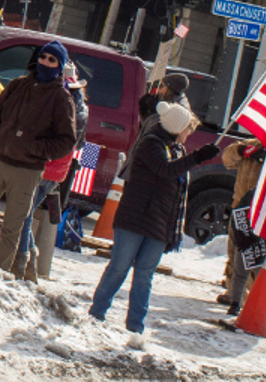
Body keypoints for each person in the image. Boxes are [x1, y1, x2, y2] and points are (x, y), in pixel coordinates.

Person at [89, 101, 219, 339]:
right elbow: (165, 170)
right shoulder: (151, 144)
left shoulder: (176, 149)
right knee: (119, 268)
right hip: (134, 219)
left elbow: (176, 190)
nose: (190, 134)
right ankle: (96, 314)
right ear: (177, 127)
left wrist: (171, 232)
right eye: (188, 128)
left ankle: (136, 327)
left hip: (158, 224)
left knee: (145, 276)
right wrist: (199, 157)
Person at [0, 39, 78, 272]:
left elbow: (66, 141)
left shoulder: (62, 99)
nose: (45, 62)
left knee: (12, 226)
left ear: (59, 65)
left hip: (28, 170)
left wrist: (35, 149)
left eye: (51, 59)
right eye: (43, 57)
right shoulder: (18, 84)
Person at [14, 60, 90, 280]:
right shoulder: (82, 107)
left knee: (23, 214)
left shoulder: (60, 104)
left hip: (43, 165)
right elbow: (82, 145)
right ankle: (29, 260)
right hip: (59, 171)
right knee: (25, 213)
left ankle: (26, 260)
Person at [218, 138, 266, 313]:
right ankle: (233, 293)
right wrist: (241, 151)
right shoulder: (250, 144)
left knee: (255, 258)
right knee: (234, 252)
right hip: (239, 208)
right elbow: (227, 159)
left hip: (263, 214)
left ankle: (254, 299)